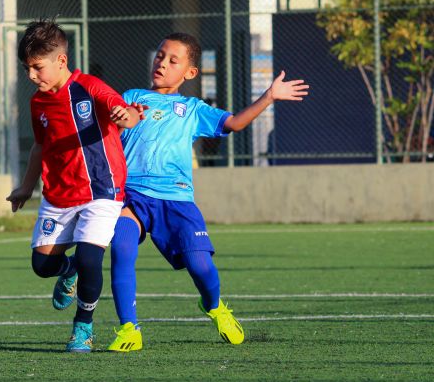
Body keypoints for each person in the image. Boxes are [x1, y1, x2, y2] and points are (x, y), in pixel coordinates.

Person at [105, 32, 309, 352]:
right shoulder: (131, 96)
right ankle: (129, 328)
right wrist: (117, 120)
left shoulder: (192, 108)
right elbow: (109, 133)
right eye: (160, 55)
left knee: (200, 266)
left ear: (190, 73)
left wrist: (269, 96)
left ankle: (214, 306)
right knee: (121, 245)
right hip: (132, 196)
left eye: (173, 60)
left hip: (177, 200)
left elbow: (236, 123)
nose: (162, 63)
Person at [6, 19, 141, 353]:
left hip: (101, 190)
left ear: (61, 61)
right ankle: (68, 272)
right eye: (27, 68)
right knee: (42, 266)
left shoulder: (89, 88)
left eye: (37, 67)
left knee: (90, 259)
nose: (31, 75)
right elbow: (39, 146)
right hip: (58, 196)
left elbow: (122, 111)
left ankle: (83, 327)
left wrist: (129, 116)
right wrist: (25, 187)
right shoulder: (38, 103)